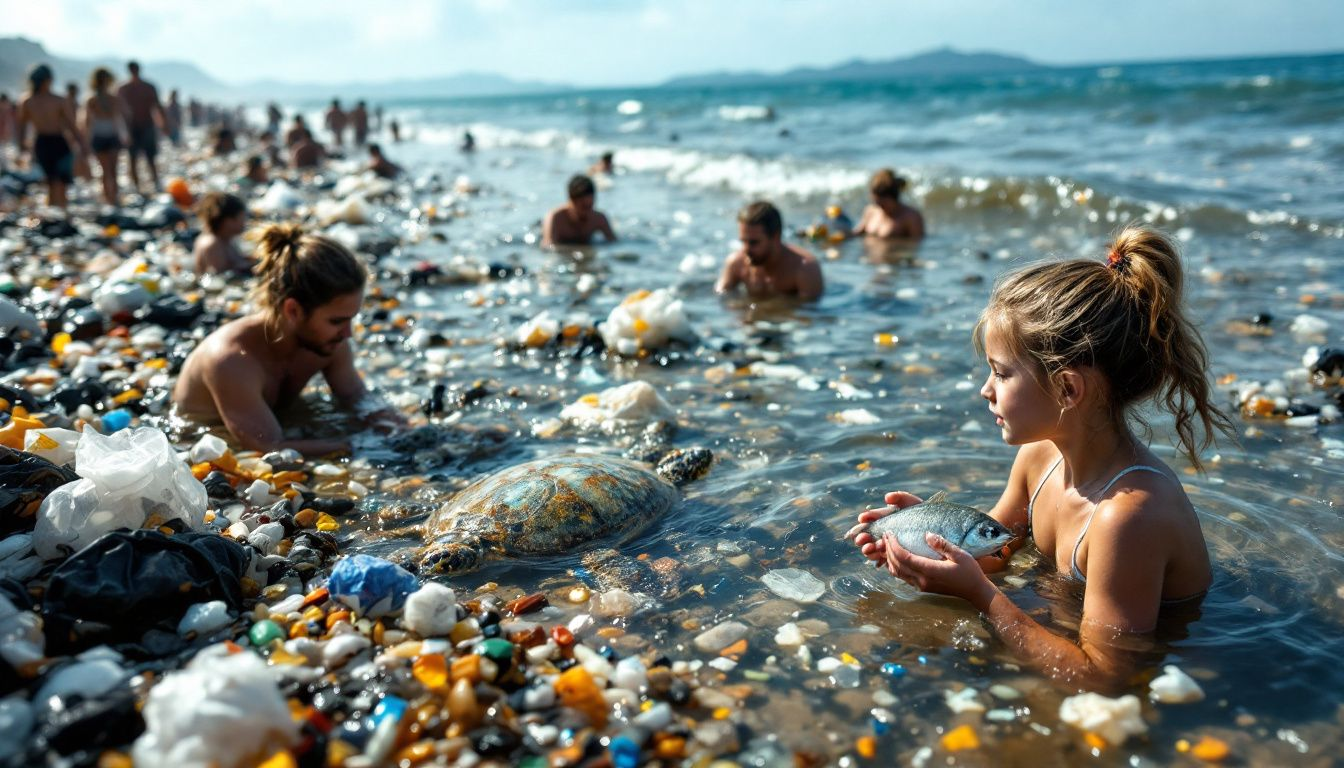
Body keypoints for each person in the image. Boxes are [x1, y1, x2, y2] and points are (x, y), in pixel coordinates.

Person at [849, 226, 1235, 690]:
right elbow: (998, 551)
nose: (985, 390)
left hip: (1189, 670)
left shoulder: (1128, 518)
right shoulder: (1039, 458)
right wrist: (933, 542)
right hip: (1064, 618)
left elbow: (1108, 675)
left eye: (1000, 373)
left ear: (1067, 389)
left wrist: (979, 597)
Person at [173, 224, 397, 454]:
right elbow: (268, 446)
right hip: (202, 437)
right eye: (337, 321)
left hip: (269, 419)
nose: (348, 333)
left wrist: (396, 427)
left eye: (351, 319)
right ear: (293, 311)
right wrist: (358, 446)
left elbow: (356, 397)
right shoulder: (230, 360)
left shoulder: (327, 343)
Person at [716, 201, 823, 300]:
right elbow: (720, 297)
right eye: (743, 241)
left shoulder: (805, 269)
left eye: (754, 242)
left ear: (776, 237)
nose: (746, 249)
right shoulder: (736, 263)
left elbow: (809, 313)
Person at [15, 65, 81, 211]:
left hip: (47, 142)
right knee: (55, 180)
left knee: (55, 180)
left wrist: (22, 146)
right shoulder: (55, 100)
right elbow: (72, 125)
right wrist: (82, 143)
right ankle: (58, 212)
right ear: (48, 80)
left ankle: (57, 211)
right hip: (52, 142)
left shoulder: (29, 101)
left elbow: (22, 127)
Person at [117, 60, 164, 193]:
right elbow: (118, 112)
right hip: (132, 128)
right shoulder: (123, 89)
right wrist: (123, 131)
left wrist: (163, 124)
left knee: (150, 158)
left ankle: (155, 184)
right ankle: (137, 187)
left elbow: (157, 107)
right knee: (133, 159)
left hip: (147, 125)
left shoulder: (148, 87)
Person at [83, 68, 123, 206]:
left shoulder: (101, 99)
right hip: (105, 135)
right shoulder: (95, 99)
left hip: (106, 135)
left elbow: (87, 122)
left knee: (110, 169)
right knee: (108, 169)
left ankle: (111, 198)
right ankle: (110, 198)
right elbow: (87, 122)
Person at [542, 174, 616, 247]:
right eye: (583, 206)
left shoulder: (599, 219)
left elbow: (614, 243)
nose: (587, 212)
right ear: (571, 201)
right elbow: (548, 247)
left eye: (590, 206)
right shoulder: (555, 218)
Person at [852, 168, 924, 240]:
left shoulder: (911, 217)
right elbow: (858, 232)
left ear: (894, 198)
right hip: (868, 251)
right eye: (876, 203)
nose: (880, 207)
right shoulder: (870, 211)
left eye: (882, 204)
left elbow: (918, 245)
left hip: (896, 251)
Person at [192, 192, 251, 276]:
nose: (245, 222)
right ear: (228, 221)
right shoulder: (212, 244)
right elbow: (219, 279)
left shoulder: (225, 239)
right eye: (242, 217)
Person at [64, 83, 91, 180]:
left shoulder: (73, 103)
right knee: (78, 156)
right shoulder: (67, 103)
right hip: (71, 133)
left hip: (75, 133)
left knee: (79, 156)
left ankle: (81, 177)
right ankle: (81, 177)